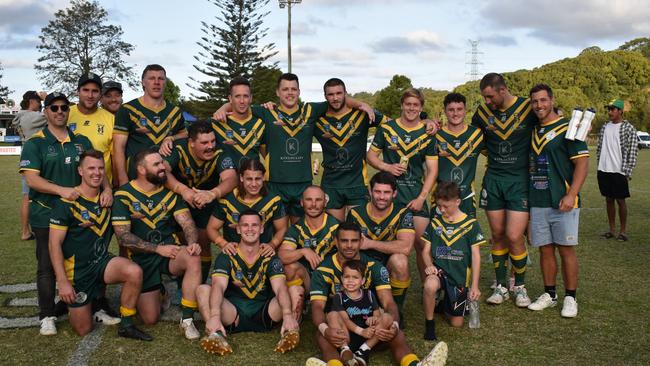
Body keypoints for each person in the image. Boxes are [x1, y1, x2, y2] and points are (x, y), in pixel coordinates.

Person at [213, 73, 373, 223]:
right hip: (274, 185)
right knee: (277, 232)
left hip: (303, 185)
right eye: (285, 89)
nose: (290, 93)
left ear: (299, 91)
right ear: (277, 92)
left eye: (293, 89)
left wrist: (361, 104)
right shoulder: (267, 111)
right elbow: (240, 102)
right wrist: (222, 108)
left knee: (300, 232)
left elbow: (338, 100)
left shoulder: (310, 110)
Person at [19, 92, 111, 335]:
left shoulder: (81, 140)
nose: (59, 111)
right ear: (46, 112)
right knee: (47, 266)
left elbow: (96, 166)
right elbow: (32, 179)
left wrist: (108, 189)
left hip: (81, 214)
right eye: (54, 108)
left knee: (93, 258)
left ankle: (96, 306)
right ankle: (47, 315)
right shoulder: (36, 142)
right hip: (45, 214)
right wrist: (62, 190)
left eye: (63, 108)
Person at [308, 222, 447, 366]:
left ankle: (414, 365)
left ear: (361, 241)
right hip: (341, 330)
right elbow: (317, 307)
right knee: (322, 335)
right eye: (344, 240)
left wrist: (393, 324)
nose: (349, 245)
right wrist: (326, 330)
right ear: (336, 242)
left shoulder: (374, 266)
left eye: (354, 240)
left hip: (372, 329)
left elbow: (388, 303)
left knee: (396, 333)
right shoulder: (323, 270)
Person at [48, 150, 152, 340]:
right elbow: (54, 244)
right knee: (83, 330)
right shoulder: (66, 203)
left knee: (133, 271)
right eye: (91, 168)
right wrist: (62, 282)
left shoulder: (109, 200)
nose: (96, 173)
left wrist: (109, 190)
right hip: (78, 272)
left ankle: (126, 324)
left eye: (100, 168)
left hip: (102, 263)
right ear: (80, 171)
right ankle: (75, 303)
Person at [111, 147, 202, 339]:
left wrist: (193, 242)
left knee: (193, 257)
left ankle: (187, 320)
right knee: (150, 318)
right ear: (142, 170)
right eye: (157, 164)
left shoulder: (170, 194)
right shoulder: (123, 195)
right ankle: (160, 291)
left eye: (162, 163)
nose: (163, 167)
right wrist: (158, 249)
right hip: (141, 259)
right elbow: (123, 237)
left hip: (170, 253)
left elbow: (187, 223)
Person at [471, 73, 536, 307]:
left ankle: (519, 286)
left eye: (490, 96)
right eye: (484, 97)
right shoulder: (482, 113)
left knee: (514, 236)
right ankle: (500, 286)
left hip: (519, 181)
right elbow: (471, 136)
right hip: (494, 179)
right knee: (498, 235)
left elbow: (549, 120)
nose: (487, 101)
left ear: (502, 90)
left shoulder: (527, 108)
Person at [195, 209, 299, 355]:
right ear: (238, 229)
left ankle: (290, 331)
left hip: (265, 314)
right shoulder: (227, 255)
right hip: (233, 314)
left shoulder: (269, 255)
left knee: (295, 290)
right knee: (203, 290)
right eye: (245, 225)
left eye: (255, 225)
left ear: (262, 228)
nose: (250, 229)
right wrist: (215, 316)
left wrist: (287, 314)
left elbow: (280, 288)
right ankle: (215, 334)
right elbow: (218, 286)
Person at [526, 84, 589, 318]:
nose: (539, 105)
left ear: (552, 100)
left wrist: (572, 194)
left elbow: (582, 163)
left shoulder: (569, 128)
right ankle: (550, 294)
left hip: (563, 200)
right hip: (538, 198)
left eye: (543, 100)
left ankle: (570, 298)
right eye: (535, 101)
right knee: (545, 250)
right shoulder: (533, 130)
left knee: (566, 250)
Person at [367, 88, 437, 282]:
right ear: (402, 105)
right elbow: (371, 156)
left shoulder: (427, 133)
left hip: (415, 195)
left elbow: (433, 170)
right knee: (386, 243)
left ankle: (429, 287)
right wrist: (386, 166)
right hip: (388, 197)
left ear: (421, 107)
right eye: (408, 104)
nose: (411, 108)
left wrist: (422, 198)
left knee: (423, 245)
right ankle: (382, 287)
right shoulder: (387, 129)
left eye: (415, 105)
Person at [164, 120, 238, 281]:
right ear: (191, 143)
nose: (210, 146)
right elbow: (162, 173)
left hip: (206, 198)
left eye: (212, 141)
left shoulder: (221, 151)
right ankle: (180, 283)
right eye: (204, 142)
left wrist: (212, 193)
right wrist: (183, 190)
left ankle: (200, 282)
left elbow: (231, 178)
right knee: (184, 241)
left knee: (204, 240)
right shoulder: (177, 148)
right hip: (179, 200)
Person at [316, 78, 387, 222]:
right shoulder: (317, 119)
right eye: (330, 94)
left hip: (358, 183)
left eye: (339, 93)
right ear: (325, 97)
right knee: (335, 232)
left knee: (359, 230)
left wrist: (424, 122)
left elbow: (395, 126)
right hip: (331, 184)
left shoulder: (363, 114)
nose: (335, 98)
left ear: (345, 94)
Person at [421, 182, 485, 340]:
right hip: (439, 272)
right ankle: (429, 324)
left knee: (456, 323)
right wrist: (429, 265)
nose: (442, 210)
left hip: (459, 276)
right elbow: (425, 251)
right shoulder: (435, 222)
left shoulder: (471, 224)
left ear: (457, 202)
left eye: (446, 206)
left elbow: (476, 256)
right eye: (439, 205)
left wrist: (475, 286)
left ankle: (444, 304)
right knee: (430, 285)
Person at [347, 171, 415, 316]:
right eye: (377, 192)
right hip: (363, 265)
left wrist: (370, 243)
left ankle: (396, 311)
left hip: (387, 264)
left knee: (400, 261)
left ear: (394, 193)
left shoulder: (403, 213)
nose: (382, 197)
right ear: (370, 191)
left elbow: (406, 247)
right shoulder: (355, 214)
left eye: (386, 192)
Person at [113, 64, 187, 185]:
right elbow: (118, 148)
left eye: (161, 79)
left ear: (165, 82)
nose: (156, 82)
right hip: (136, 178)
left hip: (167, 180)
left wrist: (171, 138)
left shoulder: (175, 112)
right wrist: (122, 180)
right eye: (151, 78)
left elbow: (185, 135)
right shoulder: (128, 109)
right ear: (143, 82)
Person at [279, 185, 340, 318]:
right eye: (309, 200)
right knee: (289, 267)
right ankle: (300, 310)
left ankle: (337, 303)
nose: (313, 204)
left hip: (331, 282)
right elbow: (282, 255)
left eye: (318, 200)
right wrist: (303, 251)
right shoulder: (296, 229)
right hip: (309, 280)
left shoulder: (336, 227)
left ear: (325, 202)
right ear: (301, 202)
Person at [206, 157, 288, 257]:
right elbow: (211, 228)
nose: (254, 184)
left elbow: (282, 228)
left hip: (262, 254)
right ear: (241, 178)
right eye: (249, 179)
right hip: (233, 254)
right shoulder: (226, 200)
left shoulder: (273, 200)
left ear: (263, 177)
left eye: (257, 179)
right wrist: (224, 244)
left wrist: (272, 245)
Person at [328, 259, 393, 366]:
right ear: (341, 279)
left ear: (362, 281)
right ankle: (345, 350)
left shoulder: (369, 294)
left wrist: (373, 319)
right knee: (332, 315)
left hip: (369, 337)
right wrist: (362, 331)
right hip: (348, 335)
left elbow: (377, 315)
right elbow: (345, 320)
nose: (350, 281)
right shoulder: (338, 297)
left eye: (355, 277)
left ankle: (363, 350)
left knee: (387, 317)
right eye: (347, 277)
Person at [435, 92, 484, 219]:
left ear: (465, 110)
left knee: (467, 237)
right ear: (444, 111)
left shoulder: (477, 135)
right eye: (451, 110)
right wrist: (427, 121)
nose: (455, 113)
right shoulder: (435, 136)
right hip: (441, 198)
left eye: (459, 109)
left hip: (466, 197)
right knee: (440, 237)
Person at [596, 98, 638, 242]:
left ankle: (623, 231)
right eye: (608, 109)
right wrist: (599, 164)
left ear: (620, 111)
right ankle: (612, 230)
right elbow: (600, 148)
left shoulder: (628, 128)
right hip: (604, 169)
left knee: (621, 201)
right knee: (608, 199)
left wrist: (628, 171)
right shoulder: (604, 127)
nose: (610, 112)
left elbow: (632, 150)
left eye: (613, 109)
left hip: (619, 170)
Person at [68, 73, 116, 186]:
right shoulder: (65, 115)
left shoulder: (110, 119)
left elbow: (116, 157)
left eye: (95, 91)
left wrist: (112, 187)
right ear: (77, 91)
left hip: (101, 189)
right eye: (85, 90)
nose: (90, 95)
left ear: (100, 94)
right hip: (69, 187)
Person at [12, 90, 46, 241]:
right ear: (31, 101)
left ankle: (26, 231)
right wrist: (47, 99)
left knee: (27, 195)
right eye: (38, 101)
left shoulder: (21, 116)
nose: (40, 104)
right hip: (35, 156)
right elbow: (53, 113)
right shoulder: (31, 116)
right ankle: (28, 231)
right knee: (30, 196)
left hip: (27, 155)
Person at [211, 77, 265, 167]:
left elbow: (267, 155)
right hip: (227, 179)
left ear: (251, 98)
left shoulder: (260, 124)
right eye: (237, 96)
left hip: (253, 180)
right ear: (230, 98)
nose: (242, 101)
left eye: (245, 96)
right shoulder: (216, 123)